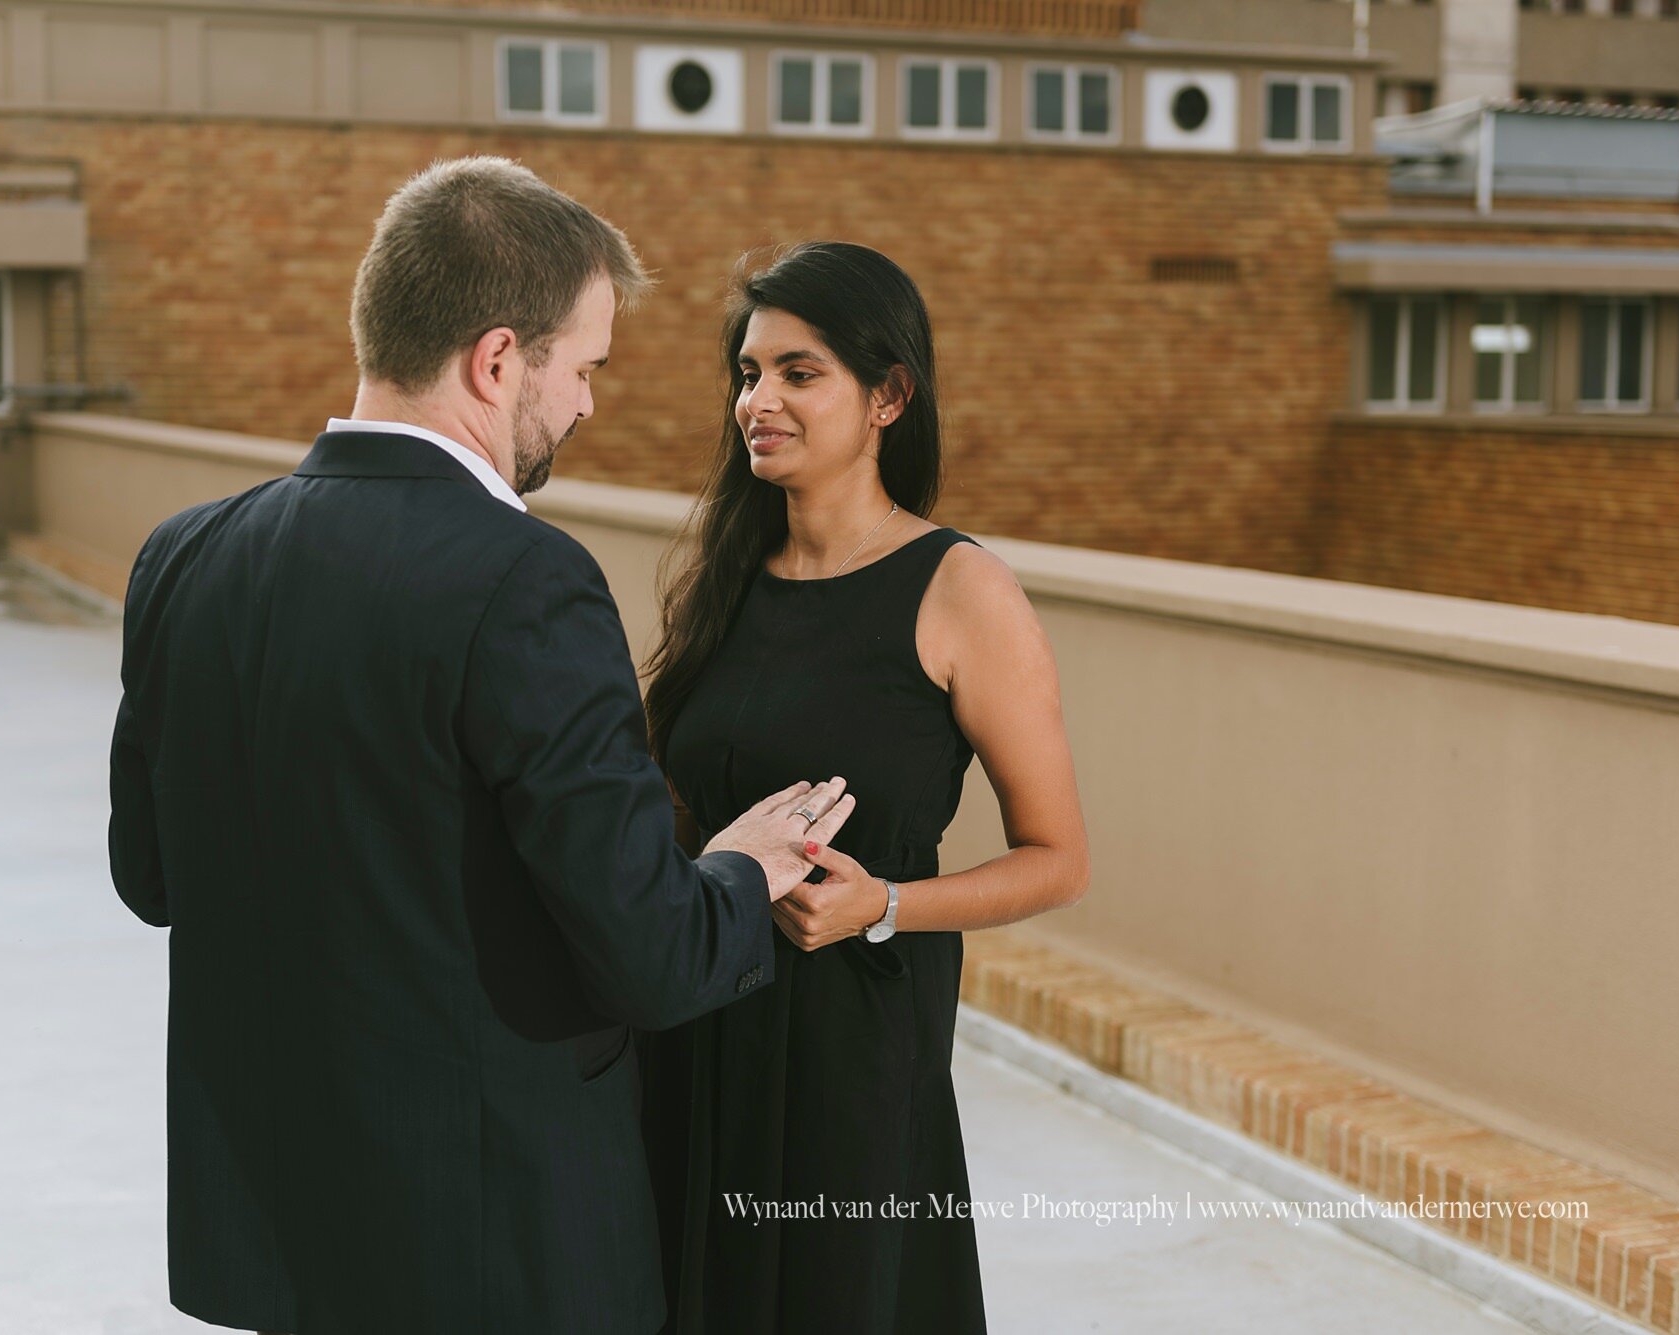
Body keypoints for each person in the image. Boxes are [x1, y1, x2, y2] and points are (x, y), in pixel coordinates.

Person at [107, 158, 861, 1335]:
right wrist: (740, 870)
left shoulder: (184, 556)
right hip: (487, 1256)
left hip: (273, 1235)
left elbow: (150, 880)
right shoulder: (527, 580)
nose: (585, 407)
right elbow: (650, 957)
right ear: (498, 359)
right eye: (584, 367)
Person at [638, 242, 1092, 1334]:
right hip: (699, 1025)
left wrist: (878, 906)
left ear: (888, 394)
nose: (759, 401)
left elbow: (1057, 859)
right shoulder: (724, 582)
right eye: (748, 374)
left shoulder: (960, 590)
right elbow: (675, 804)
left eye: (799, 373)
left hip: (855, 1049)